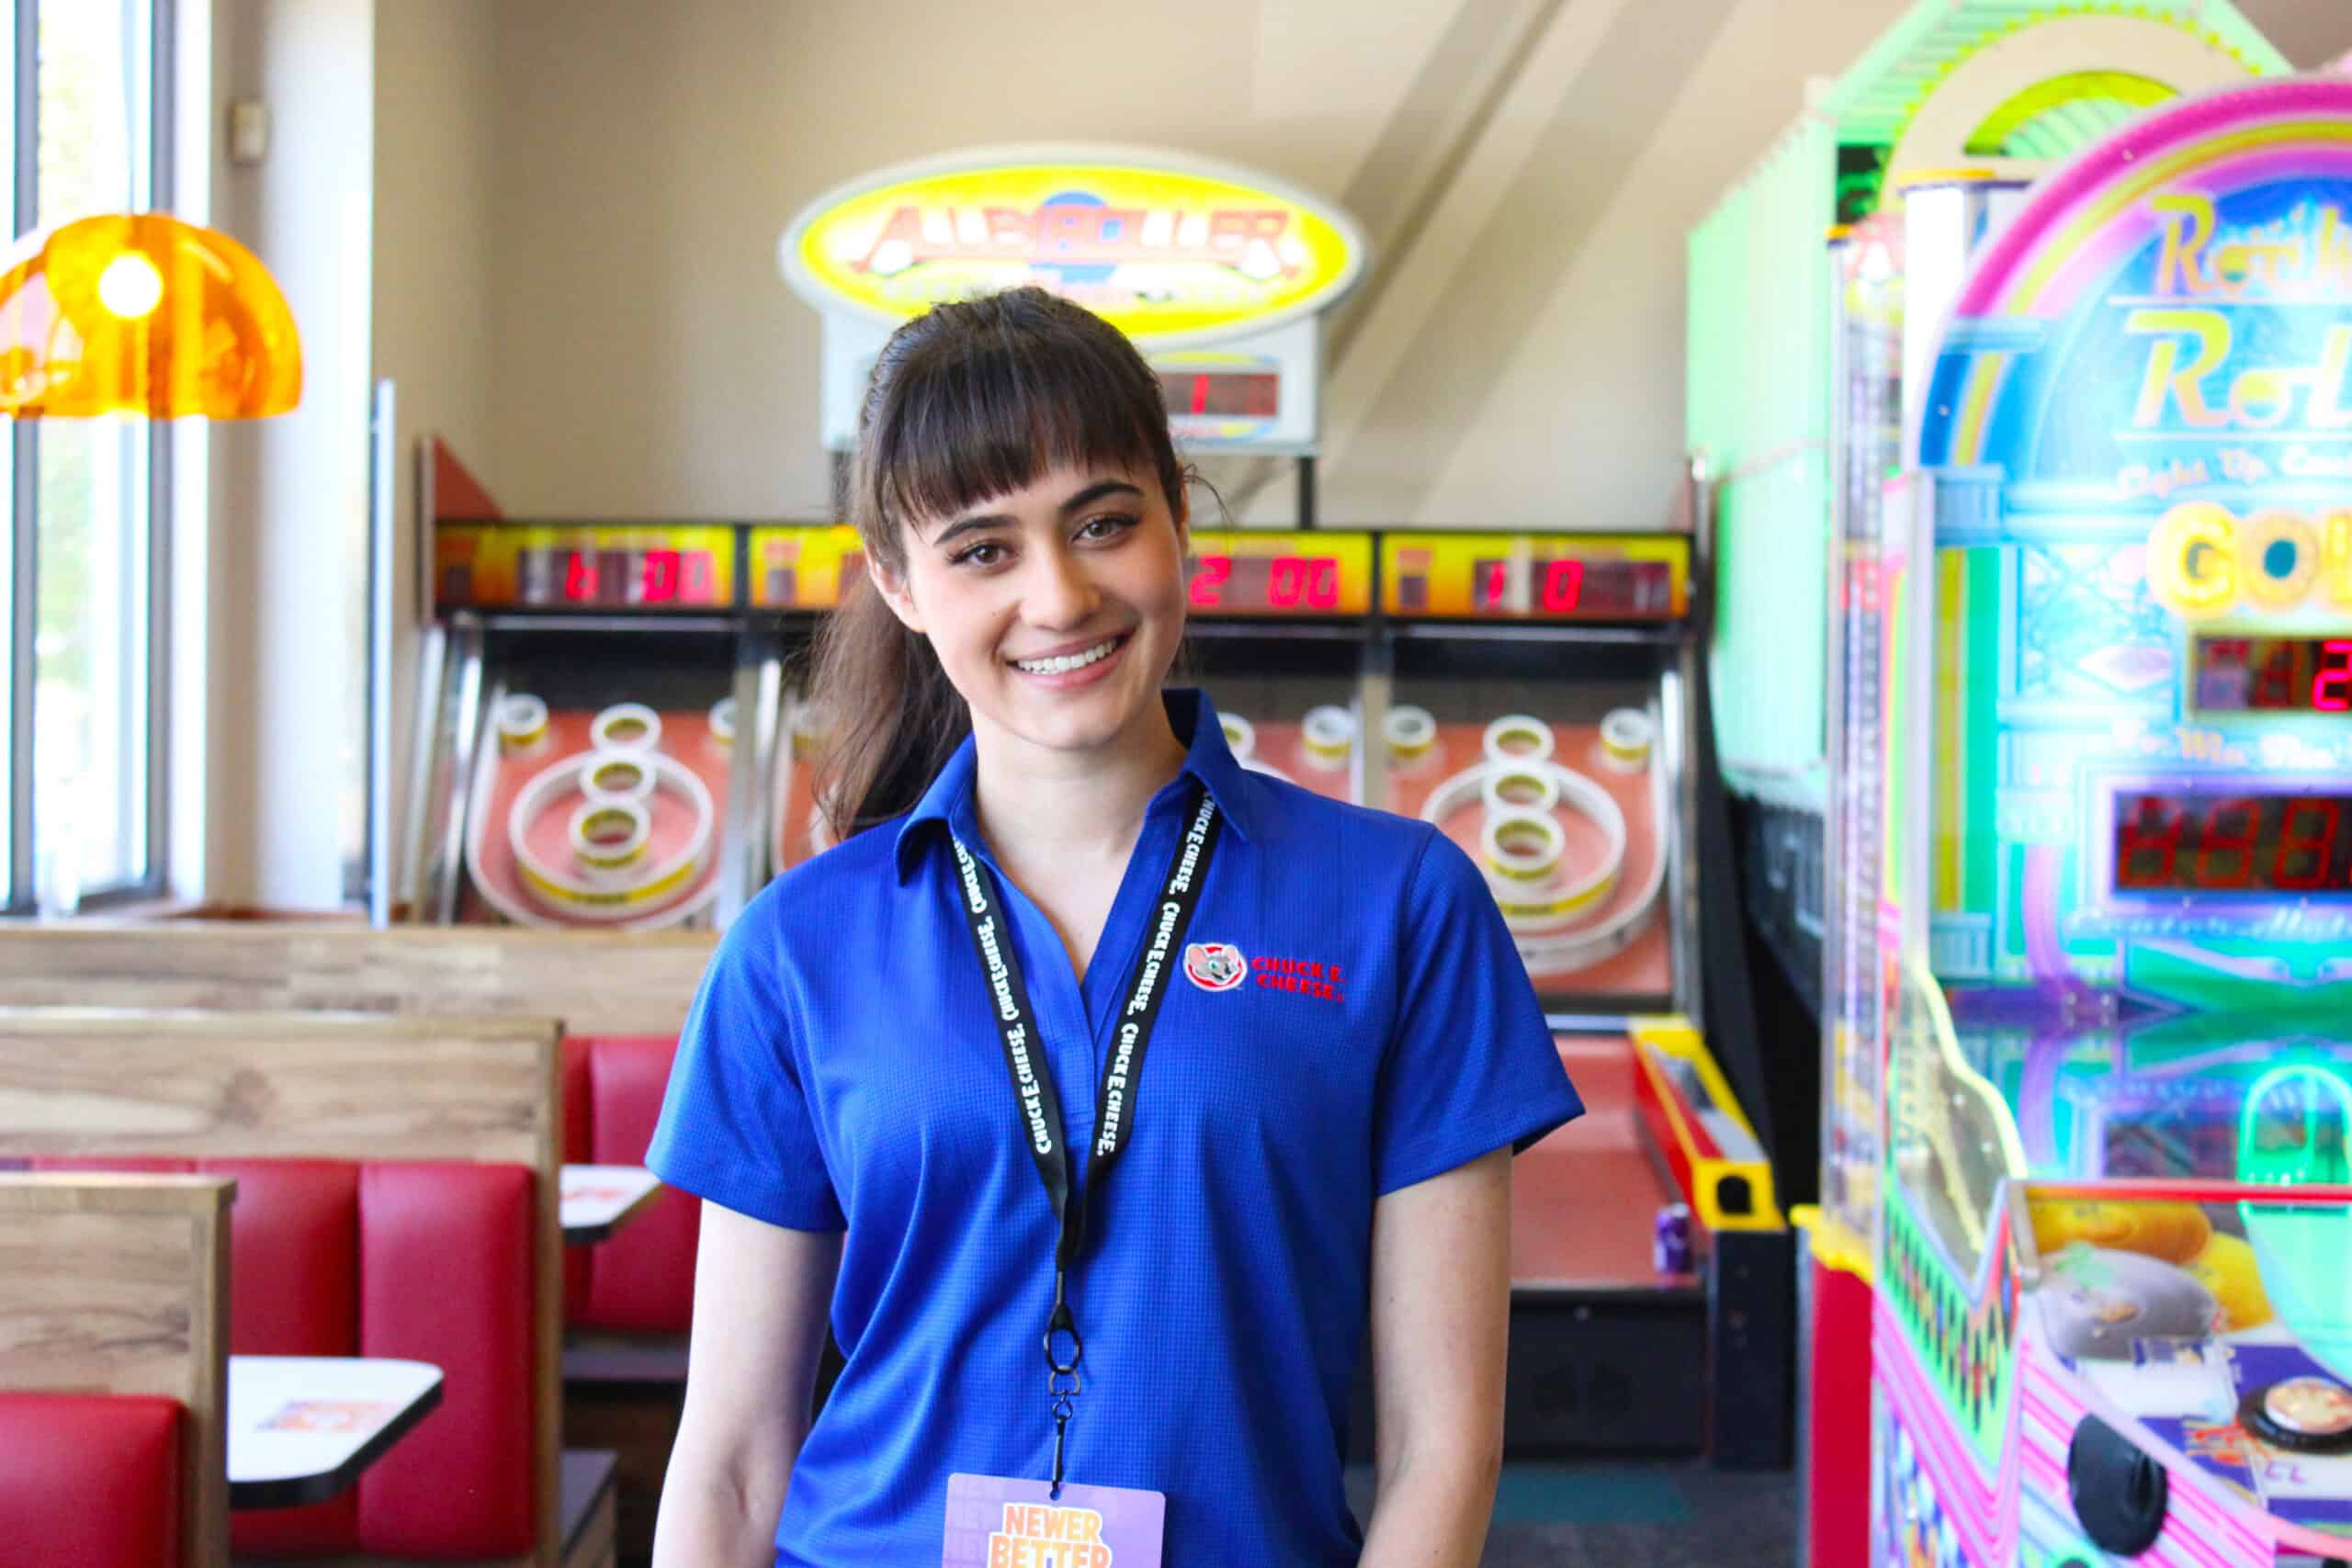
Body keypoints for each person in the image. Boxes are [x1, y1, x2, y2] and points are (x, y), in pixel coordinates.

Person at [647, 286, 1581, 1567]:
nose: (1059, 594)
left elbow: (1444, 1443)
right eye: (983, 548)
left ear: (1181, 522)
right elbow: (737, 1461)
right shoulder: (795, 951)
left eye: (1102, 522)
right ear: (899, 584)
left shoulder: (1402, 905)